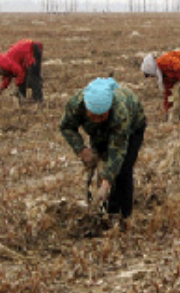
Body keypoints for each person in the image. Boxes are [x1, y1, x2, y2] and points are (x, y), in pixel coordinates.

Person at [60, 78, 147, 219]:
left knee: (123, 169)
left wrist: (107, 183)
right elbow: (66, 127)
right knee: (101, 164)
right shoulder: (76, 104)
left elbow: (117, 150)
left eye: (101, 116)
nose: (96, 119)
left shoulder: (120, 112)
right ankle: (103, 208)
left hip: (132, 128)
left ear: (110, 108)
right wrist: (81, 150)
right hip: (98, 133)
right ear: (86, 108)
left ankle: (123, 216)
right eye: (93, 115)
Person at [0, 39, 44, 104]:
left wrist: (16, 87)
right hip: (28, 52)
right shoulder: (4, 65)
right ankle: (22, 98)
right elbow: (6, 80)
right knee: (23, 78)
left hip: (32, 50)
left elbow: (20, 72)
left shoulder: (5, 63)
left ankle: (38, 99)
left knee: (33, 76)